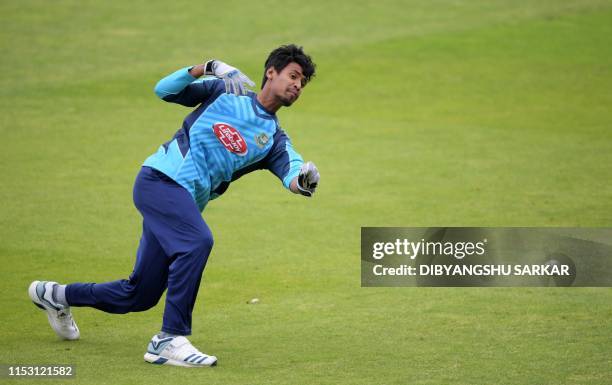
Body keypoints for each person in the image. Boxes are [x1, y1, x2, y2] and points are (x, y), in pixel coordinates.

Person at [28, 44, 319, 368]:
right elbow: (163, 90)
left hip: (181, 205)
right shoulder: (224, 90)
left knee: (138, 294)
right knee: (197, 241)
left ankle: (55, 295)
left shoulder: (275, 139)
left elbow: (293, 172)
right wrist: (206, 67)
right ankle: (169, 339)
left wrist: (304, 180)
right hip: (159, 181)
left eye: (302, 83)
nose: (297, 85)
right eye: (293, 76)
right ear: (271, 72)